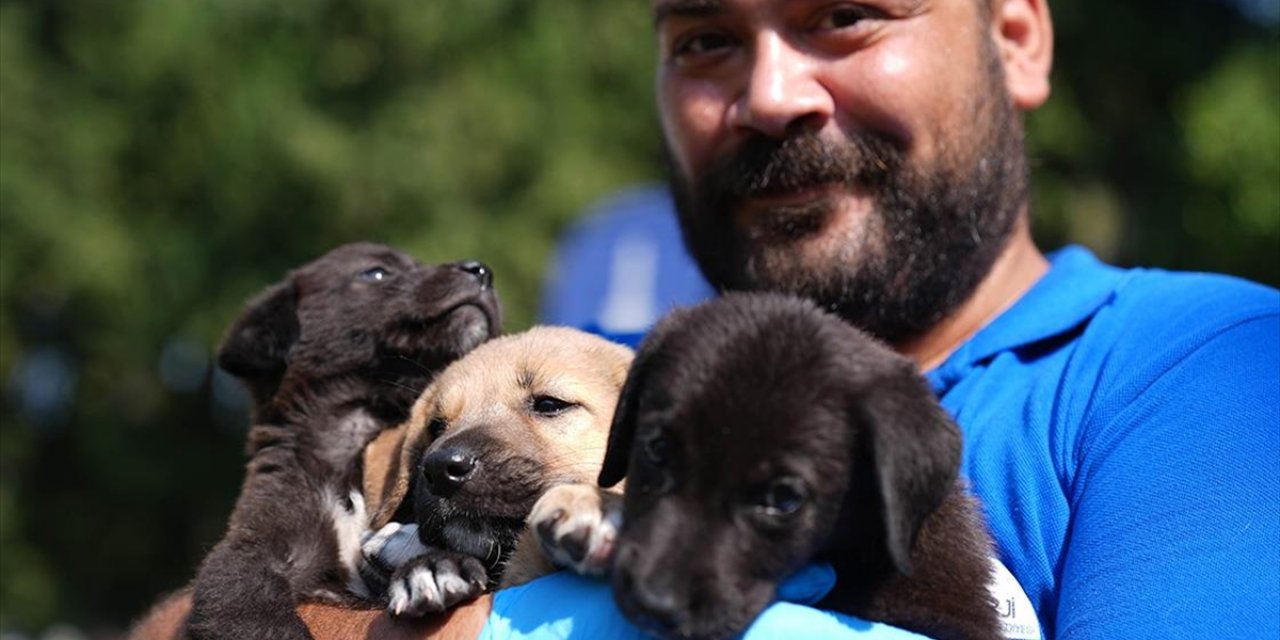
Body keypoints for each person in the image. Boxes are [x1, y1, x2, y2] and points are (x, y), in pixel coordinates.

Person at [134, 0, 1279, 638]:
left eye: (845, 14)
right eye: (704, 41)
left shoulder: (1202, 373)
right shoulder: (599, 376)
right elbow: (181, 623)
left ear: (1015, 36)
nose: (770, 94)